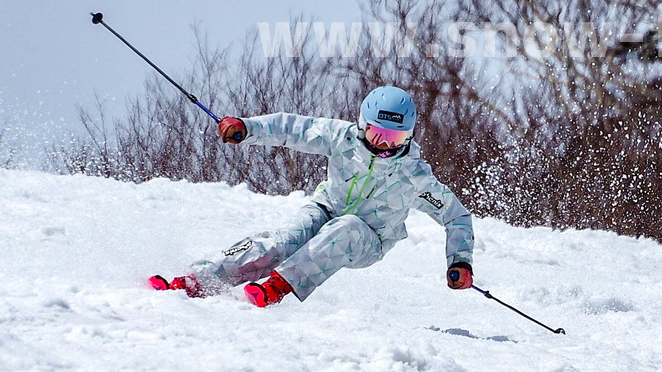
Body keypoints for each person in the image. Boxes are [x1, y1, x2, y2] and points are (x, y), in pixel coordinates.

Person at [150, 85, 474, 307]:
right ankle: (197, 281)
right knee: (282, 241)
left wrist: (459, 261)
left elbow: (455, 216)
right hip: (326, 208)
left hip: (369, 238)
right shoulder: (341, 138)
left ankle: (276, 288)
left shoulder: (413, 175)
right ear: (363, 126)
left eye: (395, 137)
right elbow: (293, 128)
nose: (385, 145)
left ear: (410, 134)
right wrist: (248, 129)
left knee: (346, 228)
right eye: (379, 134)